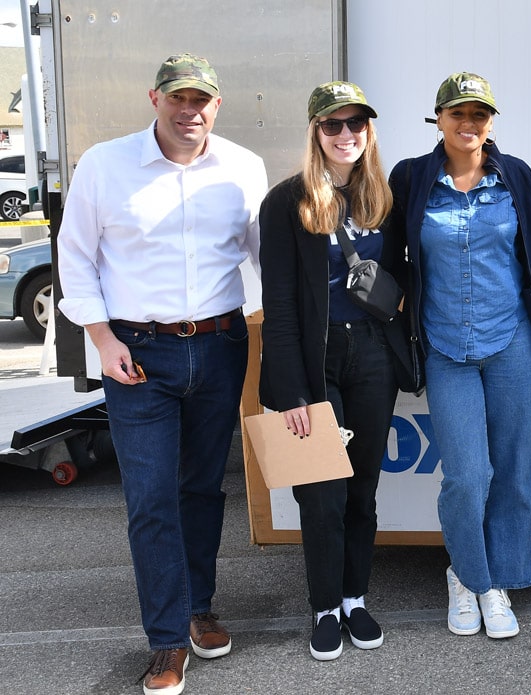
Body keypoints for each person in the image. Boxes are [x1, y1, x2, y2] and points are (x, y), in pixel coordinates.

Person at [56, 53, 267, 694]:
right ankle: (167, 640)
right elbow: (75, 256)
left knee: (202, 489)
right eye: (177, 98)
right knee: (150, 499)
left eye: (201, 100)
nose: (189, 111)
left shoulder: (242, 169)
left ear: (217, 105)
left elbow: (268, 258)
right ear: (154, 99)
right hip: (136, 355)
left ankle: (198, 607)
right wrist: (100, 337)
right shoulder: (104, 165)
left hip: (220, 344)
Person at [386, 72, 531, 640]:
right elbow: (381, 238)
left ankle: (499, 582)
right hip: (446, 343)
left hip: (510, 342)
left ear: (491, 121)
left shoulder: (515, 176)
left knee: (511, 471)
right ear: (439, 119)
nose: (469, 123)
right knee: (467, 475)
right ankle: (468, 577)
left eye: (479, 114)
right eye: (458, 113)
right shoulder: (412, 177)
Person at [259, 81, 410, 660]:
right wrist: (292, 391)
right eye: (333, 126)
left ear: (369, 131)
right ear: (315, 133)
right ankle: (323, 607)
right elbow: (281, 305)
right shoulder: (286, 202)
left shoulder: (383, 199)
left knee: (362, 489)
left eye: (356, 125)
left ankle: (355, 599)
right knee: (321, 494)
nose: (346, 135)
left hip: (372, 357)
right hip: (314, 364)